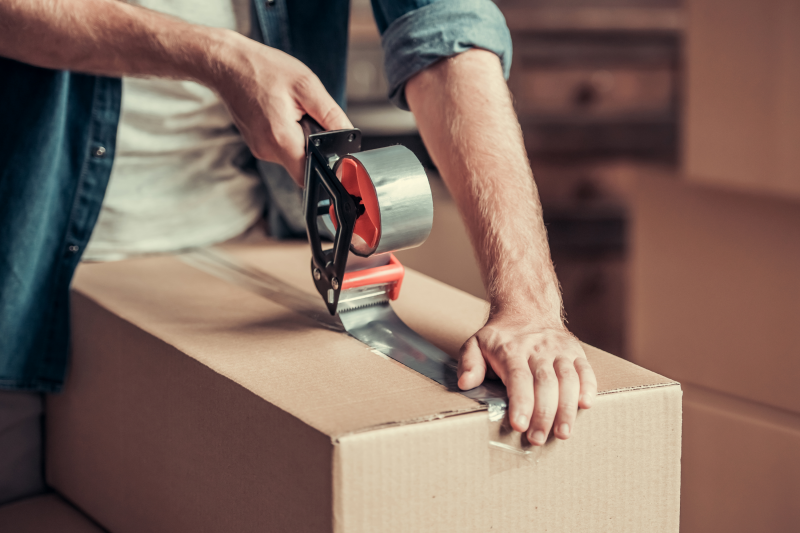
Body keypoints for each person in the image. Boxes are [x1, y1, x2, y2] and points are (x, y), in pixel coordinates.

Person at [0, 0, 597, 506]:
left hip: (239, 239)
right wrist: (216, 55)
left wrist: (528, 305)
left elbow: (446, 33)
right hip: (20, 254)